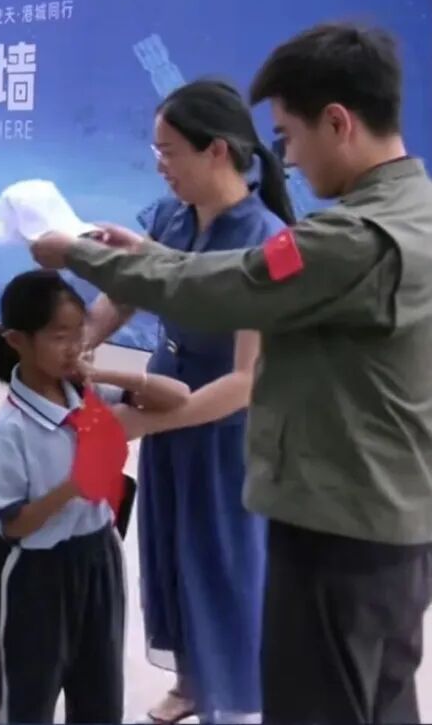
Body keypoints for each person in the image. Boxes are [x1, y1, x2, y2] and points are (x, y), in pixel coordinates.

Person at [31, 23, 432, 724]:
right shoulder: (412, 212)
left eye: (289, 136)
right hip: (382, 520)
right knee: (377, 700)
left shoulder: (350, 241)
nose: (287, 158)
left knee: (311, 695)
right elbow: (204, 273)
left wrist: (78, 254)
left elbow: (224, 289)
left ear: (338, 122)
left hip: (336, 528)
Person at [80, 79, 295, 724]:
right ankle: (196, 679)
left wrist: (137, 423)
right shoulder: (170, 218)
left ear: (217, 151)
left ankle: (237, 698)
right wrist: (76, 345)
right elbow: (124, 292)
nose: (160, 166)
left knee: (224, 566)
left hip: (224, 428)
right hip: (166, 404)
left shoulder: (269, 242)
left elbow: (247, 380)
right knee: (171, 553)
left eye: (169, 151)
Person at [0, 269, 189, 724]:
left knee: (101, 694)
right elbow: (13, 525)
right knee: (29, 699)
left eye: (79, 334)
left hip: (100, 557)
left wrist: (101, 372)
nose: (73, 347)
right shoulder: (9, 429)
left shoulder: (87, 394)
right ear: (17, 340)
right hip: (40, 575)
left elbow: (178, 397)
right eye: (59, 337)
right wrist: (73, 487)